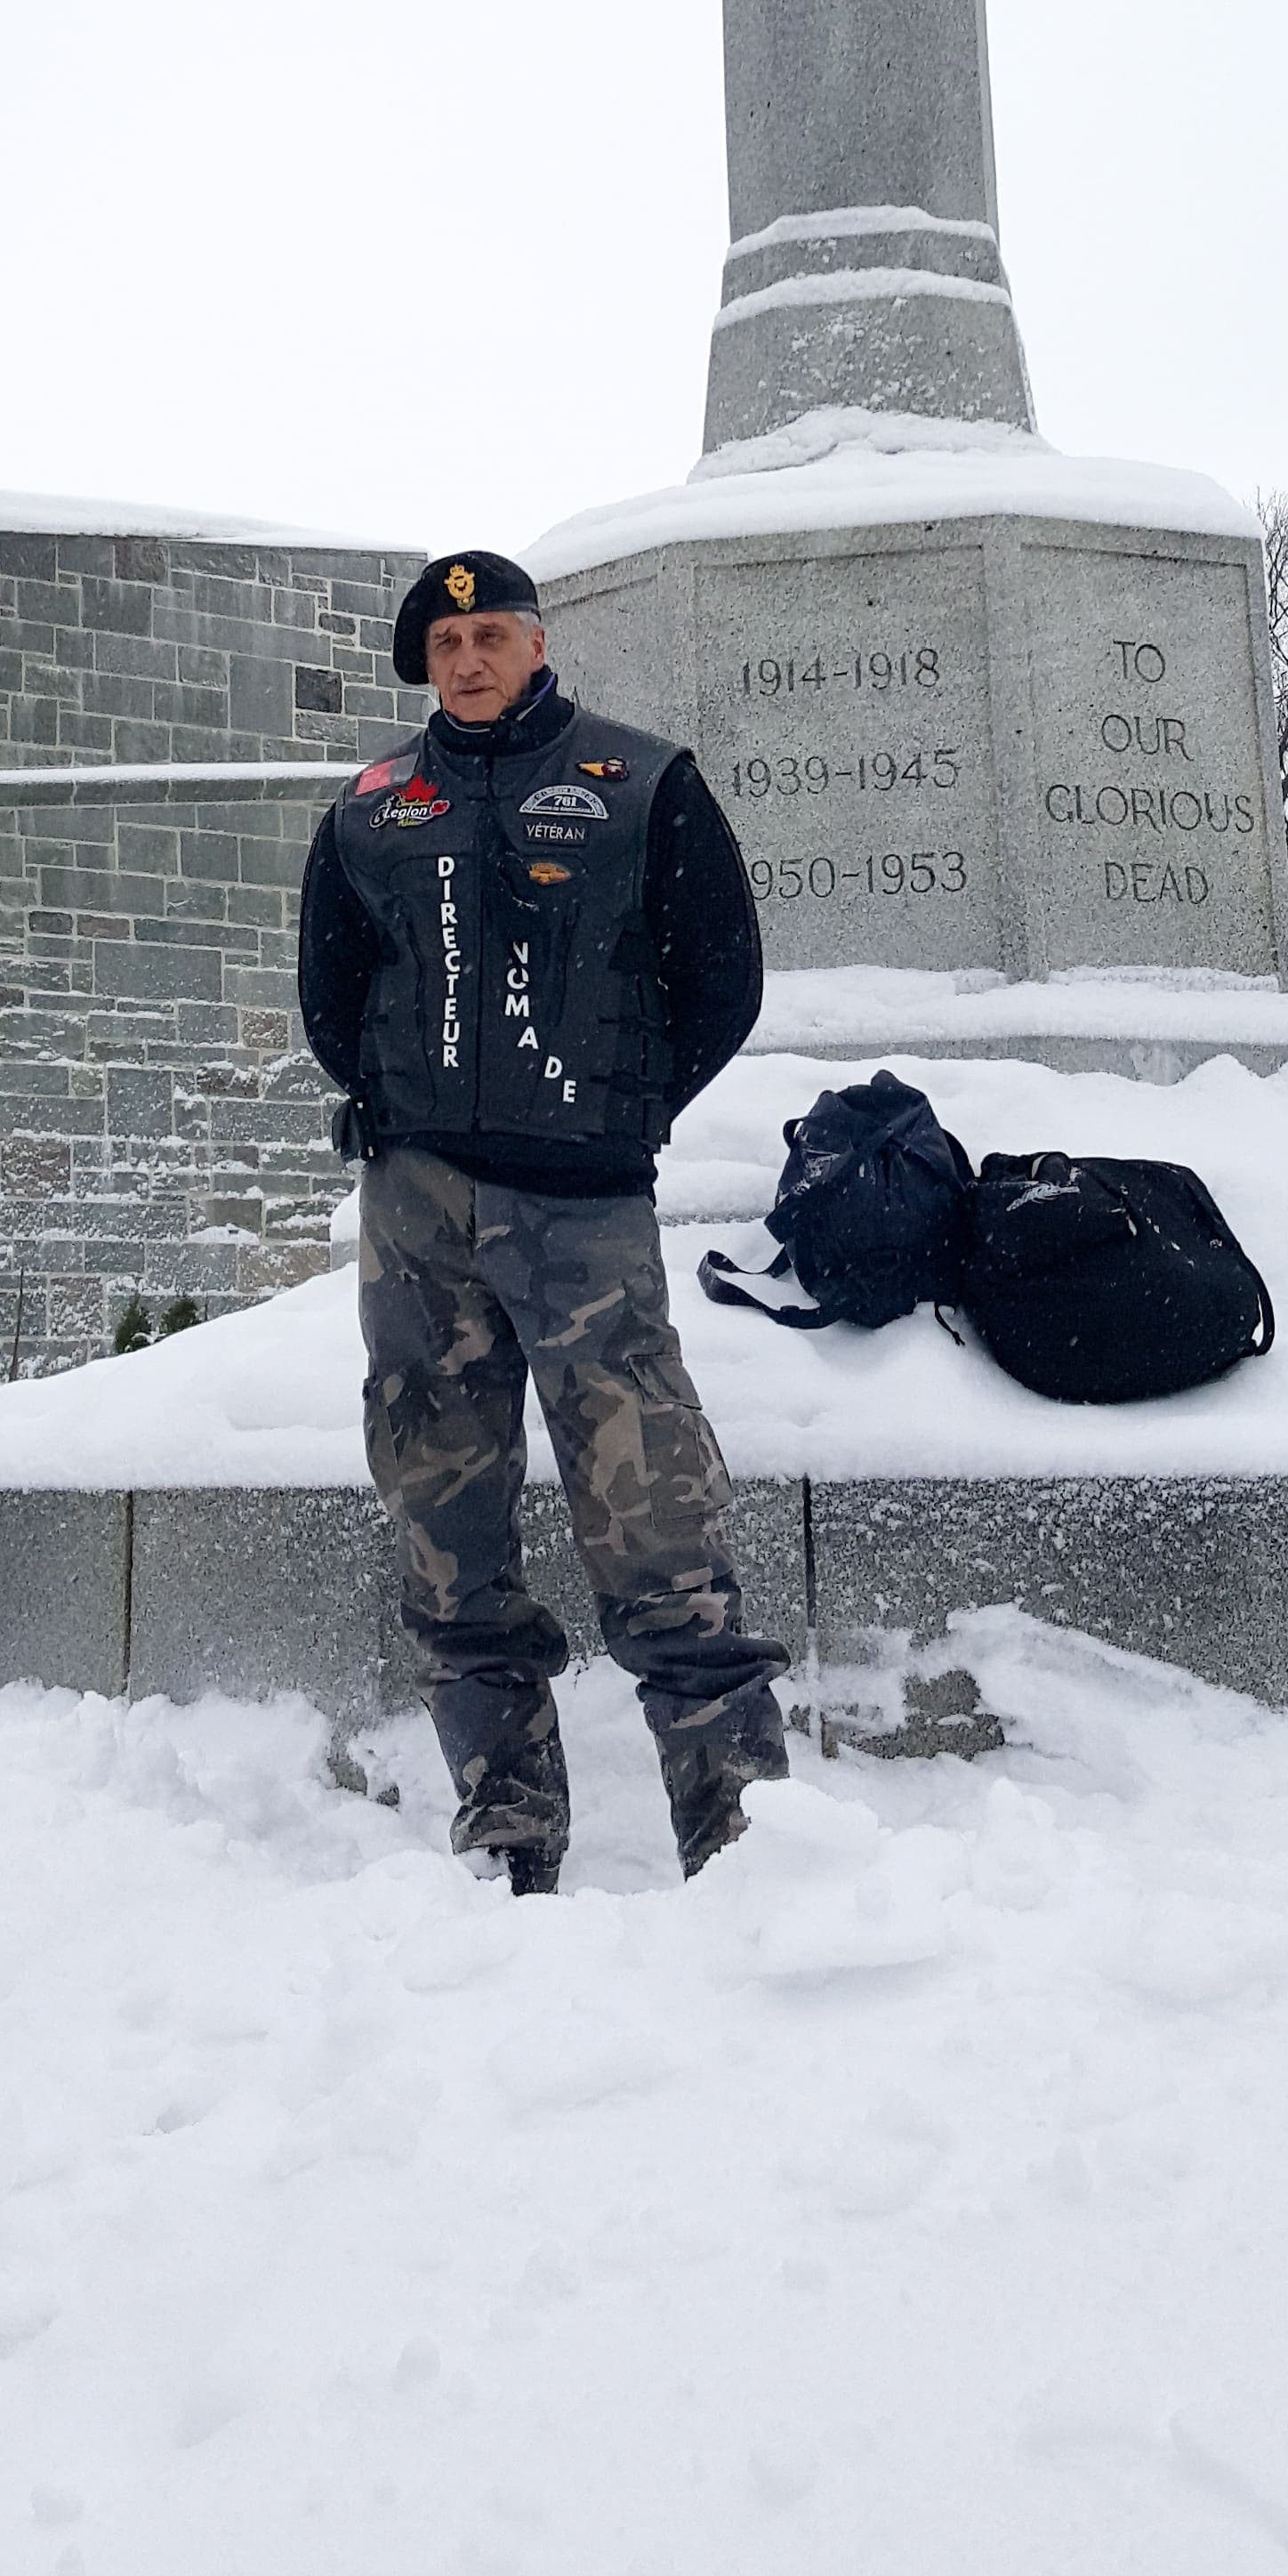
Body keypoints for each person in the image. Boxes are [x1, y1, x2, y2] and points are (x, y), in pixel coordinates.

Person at [298, 546, 789, 1890]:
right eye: (447, 647)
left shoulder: (643, 783)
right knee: (444, 1519)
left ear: (536, 640)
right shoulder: (370, 806)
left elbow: (724, 979)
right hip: (418, 1214)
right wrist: (400, 1107)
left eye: (493, 636)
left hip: (583, 1208)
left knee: (656, 1519)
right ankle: (507, 1818)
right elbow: (329, 996)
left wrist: (621, 1104)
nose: (469, 661)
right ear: (426, 664)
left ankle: (739, 1825)